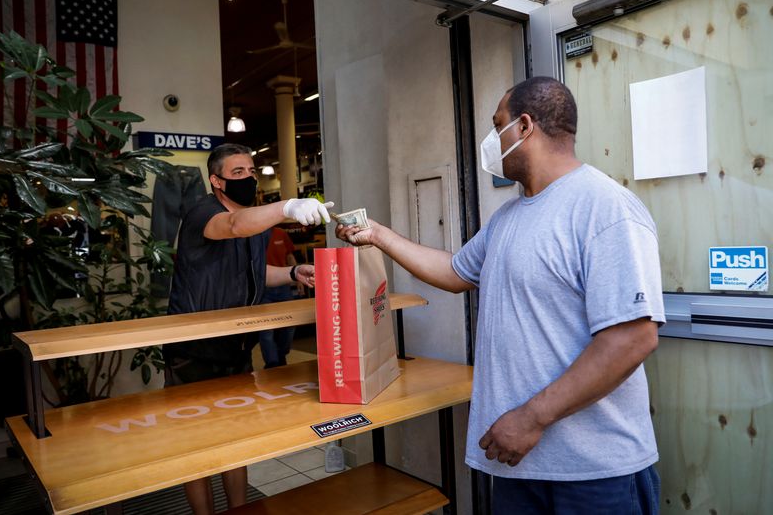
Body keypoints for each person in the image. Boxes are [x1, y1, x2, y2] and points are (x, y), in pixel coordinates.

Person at [336, 77, 665, 514]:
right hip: (519, 464)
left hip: (592, 473)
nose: (490, 140)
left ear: (524, 126)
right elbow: (455, 272)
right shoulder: (508, 217)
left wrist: (531, 418)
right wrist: (378, 235)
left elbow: (632, 338)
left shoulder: (605, 208)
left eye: (497, 125)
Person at [163, 143, 333, 515]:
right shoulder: (204, 213)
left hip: (237, 348)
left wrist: (291, 272)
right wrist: (287, 207)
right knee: (198, 446)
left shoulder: (254, 223)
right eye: (238, 172)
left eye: (252, 171)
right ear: (216, 181)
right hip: (193, 351)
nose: (249, 178)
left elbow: (253, 275)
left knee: (235, 440)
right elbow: (233, 226)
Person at [258, 226, 300, 368]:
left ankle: (281, 355)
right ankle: (272, 363)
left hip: (283, 285)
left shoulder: (281, 233)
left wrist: (298, 278)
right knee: (266, 330)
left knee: (289, 325)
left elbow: (289, 255)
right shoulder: (255, 233)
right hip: (263, 288)